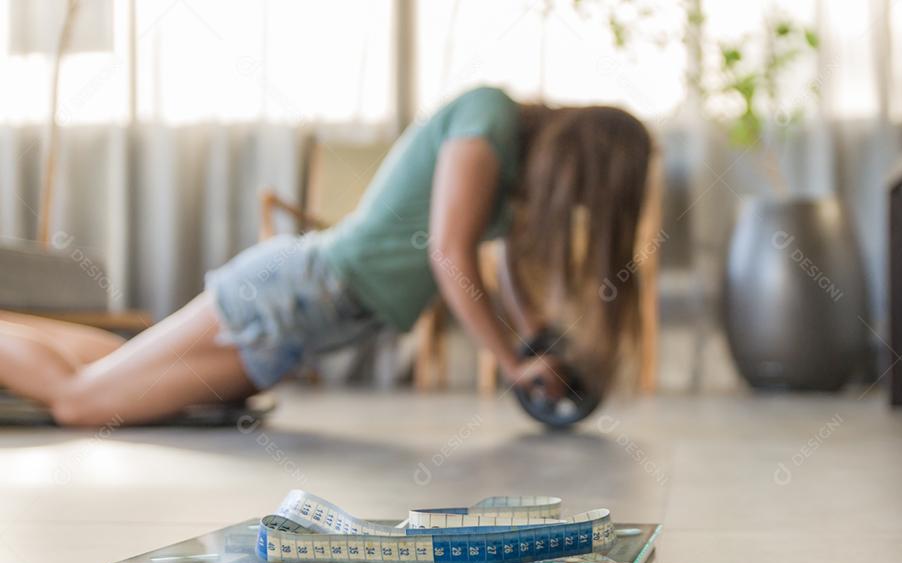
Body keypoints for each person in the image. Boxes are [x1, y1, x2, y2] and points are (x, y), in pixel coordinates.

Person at [0, 87, 653, 427]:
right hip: (290, 293)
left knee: (112, 373)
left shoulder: (513, 174)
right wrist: (511, 362)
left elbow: (505, 265)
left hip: (296, 329)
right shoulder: (487, 117)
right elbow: (451, 256)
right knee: (81, 405)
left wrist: (532, 336)